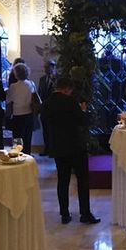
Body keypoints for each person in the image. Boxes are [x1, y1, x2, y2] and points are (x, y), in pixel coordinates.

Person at [41, 77, 99, 225]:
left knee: (63, 180)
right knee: (82, 180)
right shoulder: (71, 102)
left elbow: (46, 125)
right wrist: (84, 111)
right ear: (67, 88)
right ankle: (85, 213)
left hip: (58, 147)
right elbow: (82, 121)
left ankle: (64, 214)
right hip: (75, 146)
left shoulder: (47, 103)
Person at [6, 61, 38, 153]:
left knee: (17, 139)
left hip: (17, 115)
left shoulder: (13, 86)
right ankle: (27, 158)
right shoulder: (31, 83)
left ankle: (17, 156)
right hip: (29, 114)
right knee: (27, 139)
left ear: (15, 74)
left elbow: (9, 101)